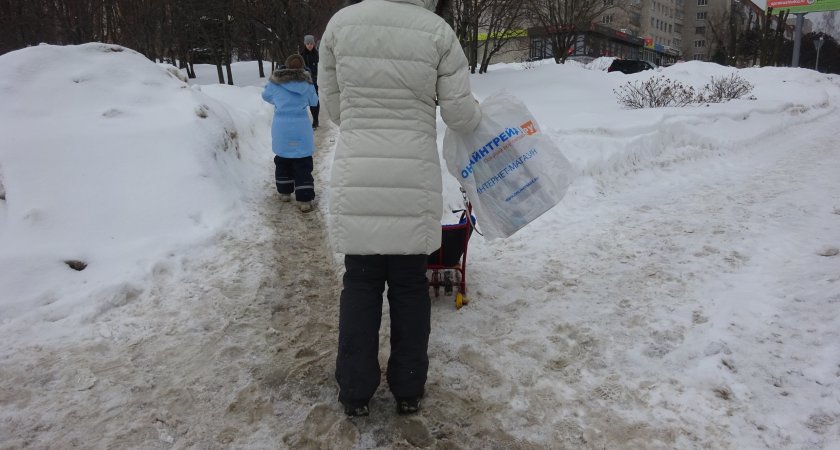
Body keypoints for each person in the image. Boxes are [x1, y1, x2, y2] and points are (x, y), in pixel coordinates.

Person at [319, 0, 482, 417]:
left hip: (360, 176)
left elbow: (335, 109)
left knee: (360, 284)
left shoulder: (340, 25)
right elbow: (461, 114)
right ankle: (408, 388)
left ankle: (355, 391)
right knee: (410, 288)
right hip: (413, 179)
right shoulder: (437, 32)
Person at [261, 54, 320, 213]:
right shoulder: (307, 83)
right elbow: (314, 101)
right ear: (302, 68)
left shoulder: (276, 83)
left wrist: (278, 99)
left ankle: (285, 192)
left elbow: (265, 95)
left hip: (281, 126)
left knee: (283, 159)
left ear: (285, 67)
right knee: (302, 161)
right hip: (301, 126)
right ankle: (305, 199)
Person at [301, 34, 320, 129]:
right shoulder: (302, 55)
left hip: (315, 82)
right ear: (305, 44)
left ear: (313, 44)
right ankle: (303, 121)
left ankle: (315, 120)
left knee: (315, 101)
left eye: (311, 43)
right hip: (305, 82)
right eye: (307, 43)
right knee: (305, 101)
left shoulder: (317, 55)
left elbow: (320, 67)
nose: (309, 45)